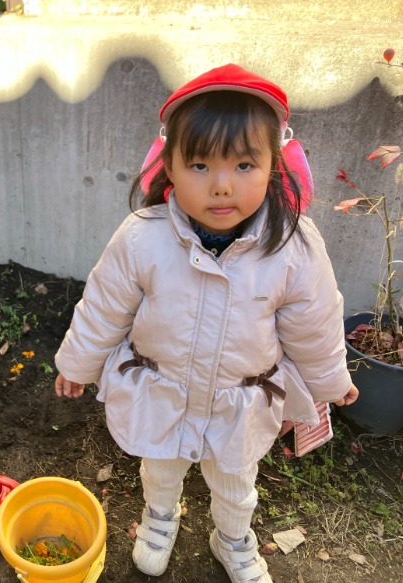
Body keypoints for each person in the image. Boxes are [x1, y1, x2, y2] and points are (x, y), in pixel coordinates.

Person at [53, 64, 359, 583]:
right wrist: (77, 363)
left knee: (236, 481)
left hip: (239, 401)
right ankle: (160, 517)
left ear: (274, 167)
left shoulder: (293, 247)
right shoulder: (142, 237)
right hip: (162, 391)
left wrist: (330, 380)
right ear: (168, 165)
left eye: (244, 165)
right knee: (160, 466)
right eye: (199, 164)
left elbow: (314, 323)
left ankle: (233, 538)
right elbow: (104, 306)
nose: (221, 186)